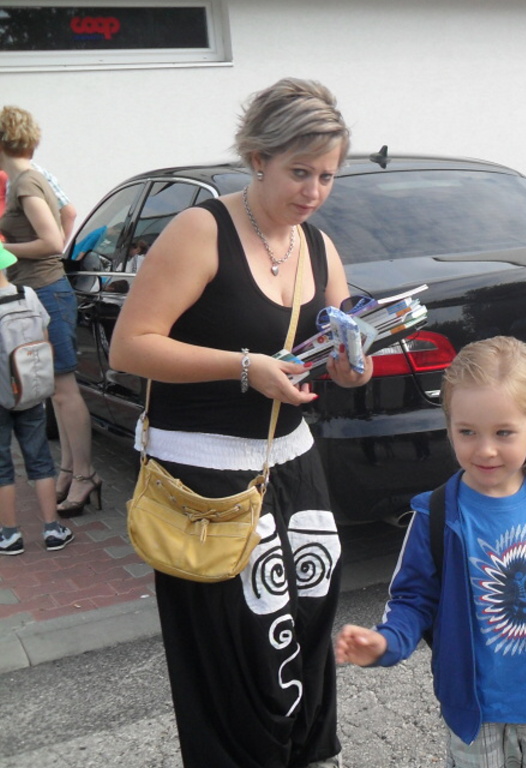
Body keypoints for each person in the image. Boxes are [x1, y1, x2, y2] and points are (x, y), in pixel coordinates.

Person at [108, 78, 369, 768]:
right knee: (232, 645)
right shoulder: (201, 231)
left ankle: (305, 753)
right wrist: (246, 367)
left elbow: (337, 346)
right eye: (300, 172)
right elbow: (130, 347)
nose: (313, 191)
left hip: (294, 467)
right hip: (204, 479)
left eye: (327, 177)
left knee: (306, 621)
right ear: (258, 158)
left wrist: (351, 367)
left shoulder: (319, 246)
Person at [336, 336, 526, 768]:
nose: (485, 449)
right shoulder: (435, 515)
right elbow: (413, 601)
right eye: (467, 432)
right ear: (449, 427)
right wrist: (385, 643)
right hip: (476, 717)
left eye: (503, 432)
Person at [0, 106, 96, 517]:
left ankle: (86, 475)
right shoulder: (24, 179)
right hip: (41, 292)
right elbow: (66, 215)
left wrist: (3, 248)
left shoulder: (25, 182)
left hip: (47, 292)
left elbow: (52, 241)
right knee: (55, 391)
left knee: (63, 390)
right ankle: (69, 470)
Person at [0, 242, 74, 556]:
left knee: (2, 467)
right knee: (41, 460)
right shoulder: (28, 294)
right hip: (30, 391)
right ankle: (52, 529)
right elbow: (43, 339)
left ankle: (9, 534)